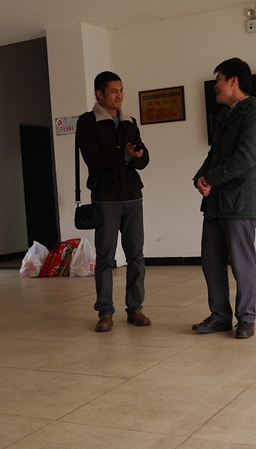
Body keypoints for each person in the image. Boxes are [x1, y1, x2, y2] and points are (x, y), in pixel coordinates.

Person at [192, 58, 256, 339]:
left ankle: (246, 318)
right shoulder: (226, 115)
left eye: (219, 80)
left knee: (241, 263)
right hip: (215, 204)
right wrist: (200, 177)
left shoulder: (255, 113)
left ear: (233, 81)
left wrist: (211, 179)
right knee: (211, 262)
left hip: (240, 203)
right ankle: (220, 317)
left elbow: (245, 158)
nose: (215, 86)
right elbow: (213, 155)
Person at [75, 71, 151, 332]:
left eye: (121, 90)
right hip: (105, 199)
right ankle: (105, 312)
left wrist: (137, 155)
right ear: (99, 94)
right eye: (114, 91)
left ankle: (135, 308)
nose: (120, 96)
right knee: (106, 258)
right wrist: (124, 155)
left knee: (136, 256)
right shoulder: (87, 122)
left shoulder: (129, 121)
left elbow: (143, 160)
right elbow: (94, 159)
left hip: (133, 196)